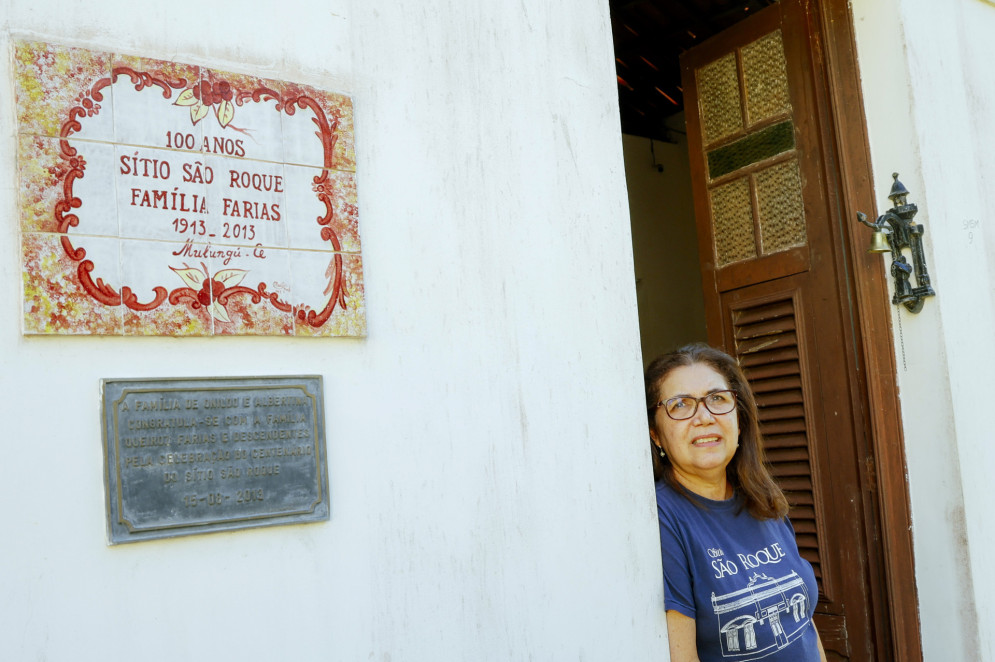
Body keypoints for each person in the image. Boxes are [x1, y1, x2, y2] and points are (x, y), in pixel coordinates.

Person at [645, 344, 827, 662]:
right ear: (656, 434)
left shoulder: (763, 500)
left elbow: (804, 626)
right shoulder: (661, 518)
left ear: (739, 419)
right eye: (680, 404)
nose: (704, 417)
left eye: (717, 399)